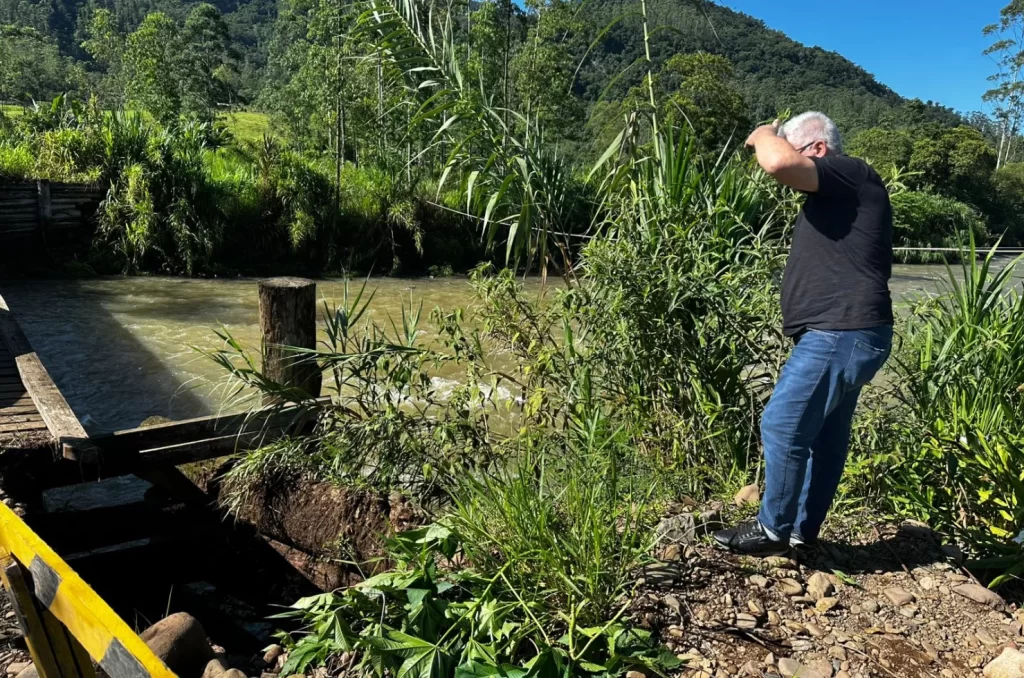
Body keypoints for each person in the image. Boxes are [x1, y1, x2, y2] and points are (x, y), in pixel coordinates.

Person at [713, 111, 894, 556]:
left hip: (840, 331)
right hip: (846, 332)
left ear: (816, 149)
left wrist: (761, 135)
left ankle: (772, 529)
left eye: (795, 148)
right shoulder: (837, 197)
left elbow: (777, 163)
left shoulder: (852, 172)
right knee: (824, 437)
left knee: (783, 423)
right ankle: (800, 532)